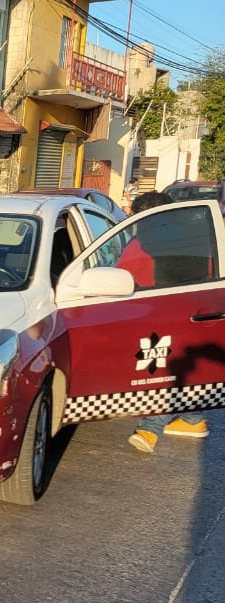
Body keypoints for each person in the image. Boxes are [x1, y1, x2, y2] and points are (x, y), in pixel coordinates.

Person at [124, 189, 209, 453]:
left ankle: (149, 429)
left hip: (159, 313)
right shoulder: (200, 235)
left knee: (159, 371)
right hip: (202, 309)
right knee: (180, 367)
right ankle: (193, 420)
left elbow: (123, 276)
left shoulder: (142, 243)